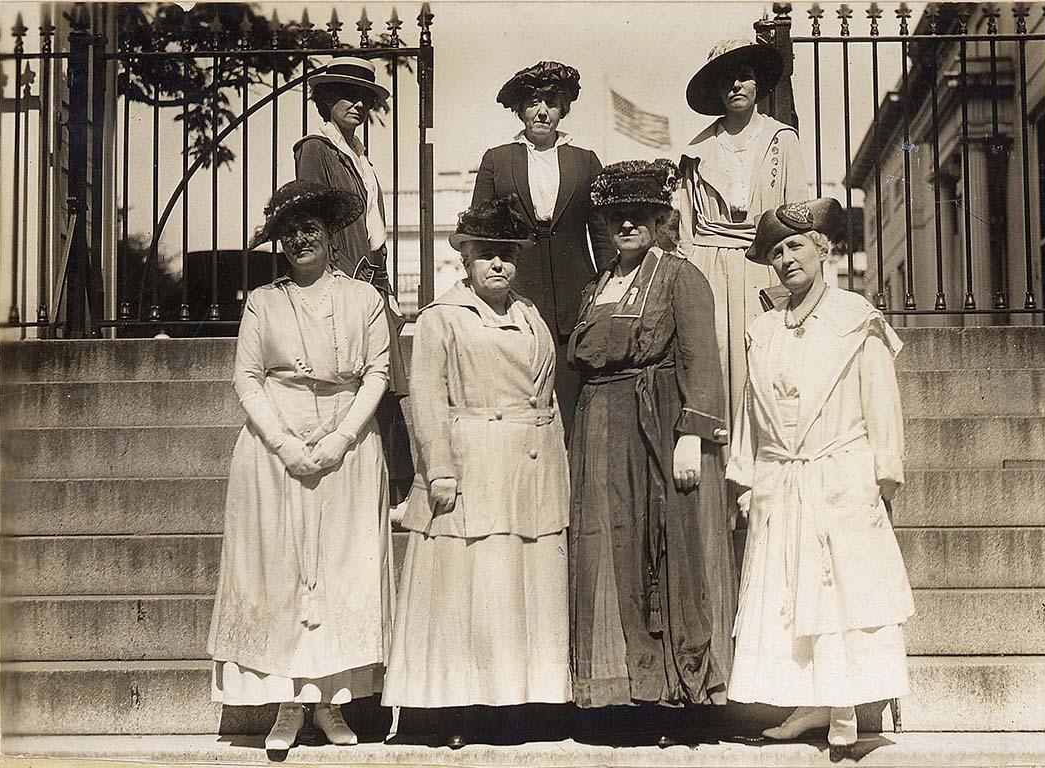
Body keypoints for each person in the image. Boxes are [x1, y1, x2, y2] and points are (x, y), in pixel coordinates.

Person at [207, 180, 397, 751]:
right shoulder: (264, 302)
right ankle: (288, 705)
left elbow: (378, 375)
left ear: (331, 233)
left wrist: (340, 438)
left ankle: (333, 707)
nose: (300, 239)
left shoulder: (364, 299)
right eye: (289, 232)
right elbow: (247, 378)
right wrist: (286, 444)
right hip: (275, 450)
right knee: (281, 570)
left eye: (310, 227)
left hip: (348, 443)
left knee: (342, 569)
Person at [383, 197, 572, 748]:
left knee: (522, 585)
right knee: (472, 587)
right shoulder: (442, 318)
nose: (497, 265)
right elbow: (427, 397)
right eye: (486, 254)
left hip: (530, 468)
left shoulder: (531, 314)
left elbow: (548, 398)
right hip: (473, 463)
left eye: (507, 256)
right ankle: (458, 707)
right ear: (464, 259)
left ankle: (520, 702)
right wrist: (438, 468)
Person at [726, 199, 915, 748]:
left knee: (840, 593)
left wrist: (883, 476)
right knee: (791, 592)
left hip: (840, 471)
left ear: (823, 249)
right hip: (783, 477)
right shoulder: (764, 330)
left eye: (796, 246)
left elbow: (882, 404)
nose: (786, 259)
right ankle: (811, 704)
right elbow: (752, 415)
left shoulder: (857, 319)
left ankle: (847, 707)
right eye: (777, 251)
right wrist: (748, 482)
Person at [567, 160, 732, 730]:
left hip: (660, 424)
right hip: (600, 429)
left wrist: (692, 433)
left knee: (668, 547)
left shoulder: (680, 276)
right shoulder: (596, 285)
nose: (628, 225)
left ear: (660, 219)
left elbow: (701, 360)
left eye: (639, 215)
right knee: (610, 547)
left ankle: (678, 699)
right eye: (617, 217)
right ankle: (621, 695)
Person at [472, 61, 616, 439]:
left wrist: (606, 285)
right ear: (520, 110)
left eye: (551, 103)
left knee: (572, 394)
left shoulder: (584, 160)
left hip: (575, 293)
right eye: (533, 102)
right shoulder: (497, 159)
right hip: (517, 291)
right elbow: (480, 230)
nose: (542, 112)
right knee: (520, 390)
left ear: (562, 109)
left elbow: (601, 232)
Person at [294, 55, 414, 506]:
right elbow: (312, 219)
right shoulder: (316, 149)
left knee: (383, 378)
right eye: (349, 95)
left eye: (366, 97)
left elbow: (371, 224)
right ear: (326, 99)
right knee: (355, 379)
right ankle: (377, 488)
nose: (359, 105)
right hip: (342, 279)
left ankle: (399, 489)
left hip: (372, 280)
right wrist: (333, 278)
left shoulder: (358, 154)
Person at [677, 38, 808, 436]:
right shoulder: (696, 149)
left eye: (745, 77)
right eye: (727, 79)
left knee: (764, 359)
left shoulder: (781, 140)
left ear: (758, 86)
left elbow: (797, 214)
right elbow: (685, 224)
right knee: (713, 356)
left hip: (763, 264)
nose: (736, 85)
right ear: (717, 90)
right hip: (710, 265)